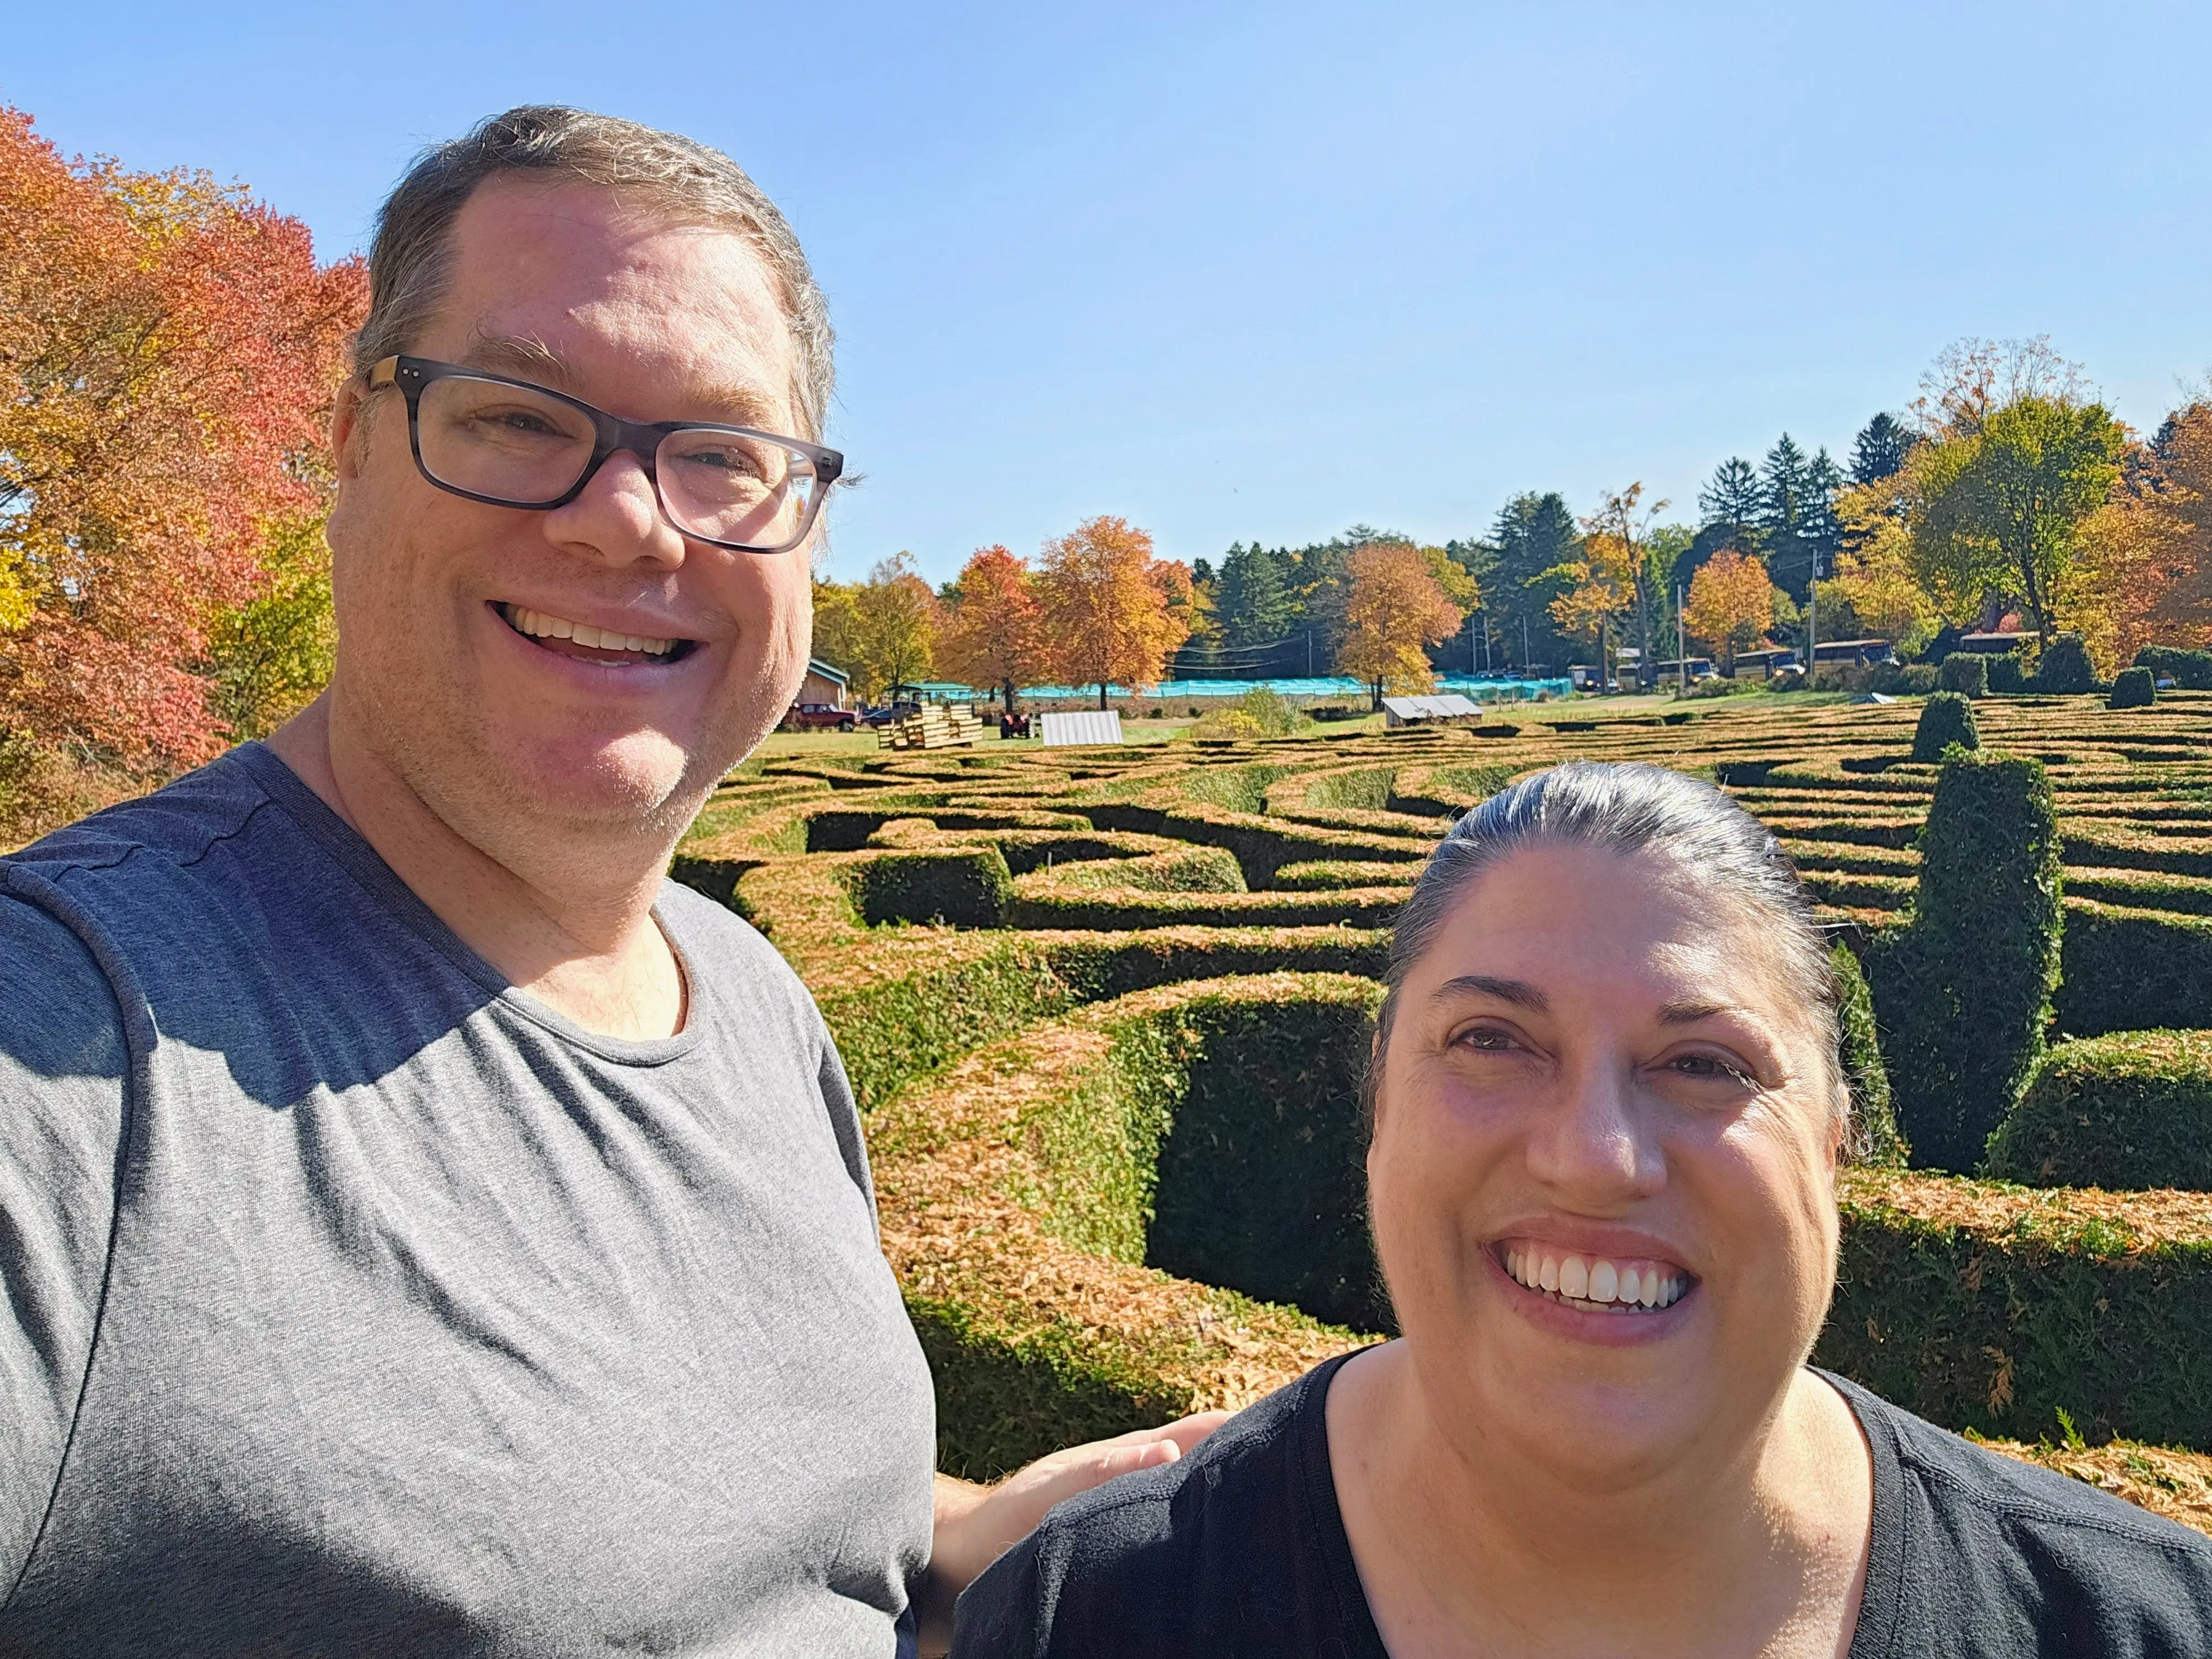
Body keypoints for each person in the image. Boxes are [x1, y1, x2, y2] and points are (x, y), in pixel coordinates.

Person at [0, 106, 1217, 1657]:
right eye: (518, 415)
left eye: (720, 452)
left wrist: (956, 1523)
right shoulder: (66, 1055)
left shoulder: (749, 996)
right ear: (356, 442)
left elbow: (643, 1489)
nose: (631, 519)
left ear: (809, 524)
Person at [952, 761, 2212, 1657]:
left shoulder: (2135, 1625)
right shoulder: (1096, 1615)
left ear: (1835, 1142)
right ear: (1377, 1108)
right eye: (1490, 1040)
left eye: (1702, 1063)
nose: (1596, 1158)